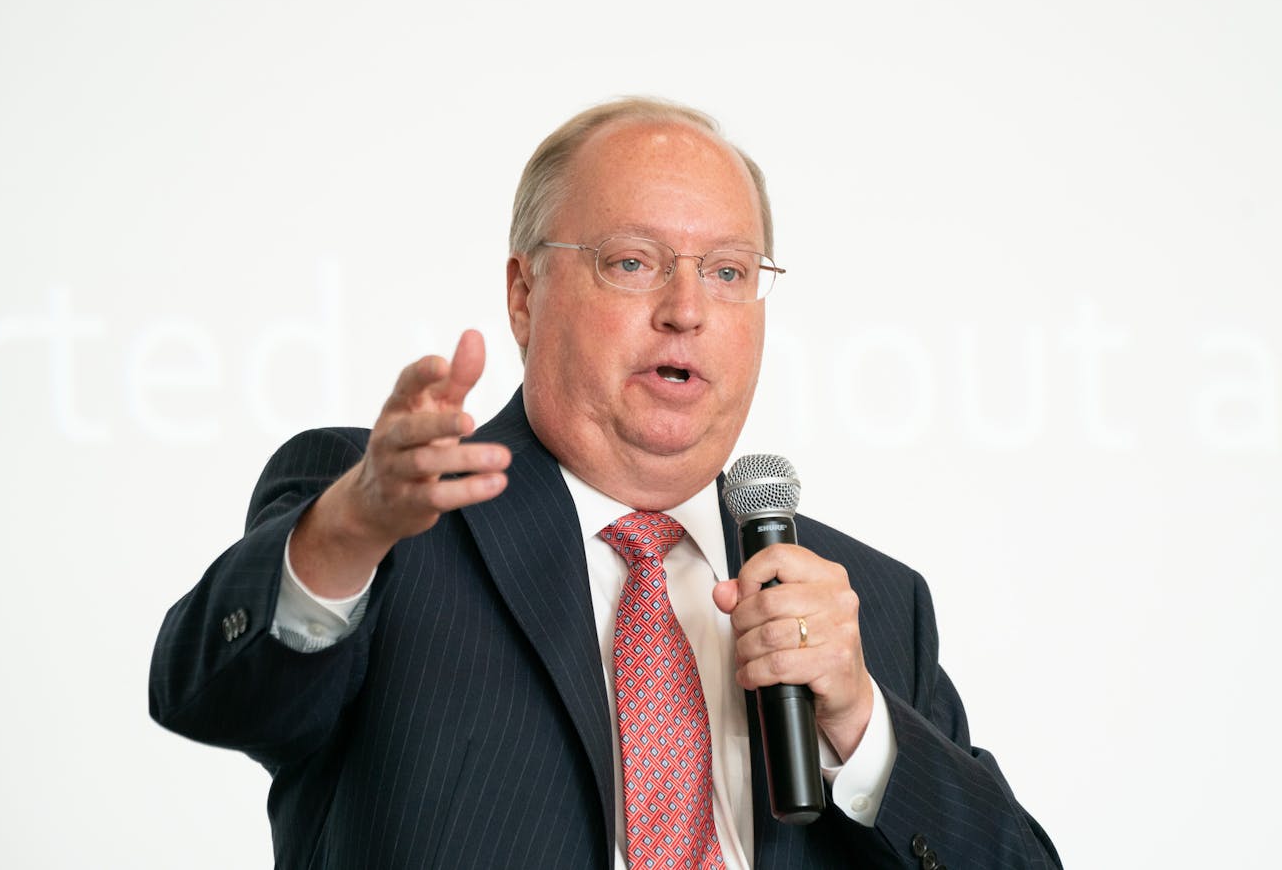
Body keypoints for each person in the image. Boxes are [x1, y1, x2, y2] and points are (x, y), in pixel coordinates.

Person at [149, 97, 1062, 870]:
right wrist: (350, 528)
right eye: (633, 261)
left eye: (729, 272)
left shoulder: (867, 604)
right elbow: (210, 693)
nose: (687, 309)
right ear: (523, 293)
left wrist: (864, 727)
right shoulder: (387, 519)